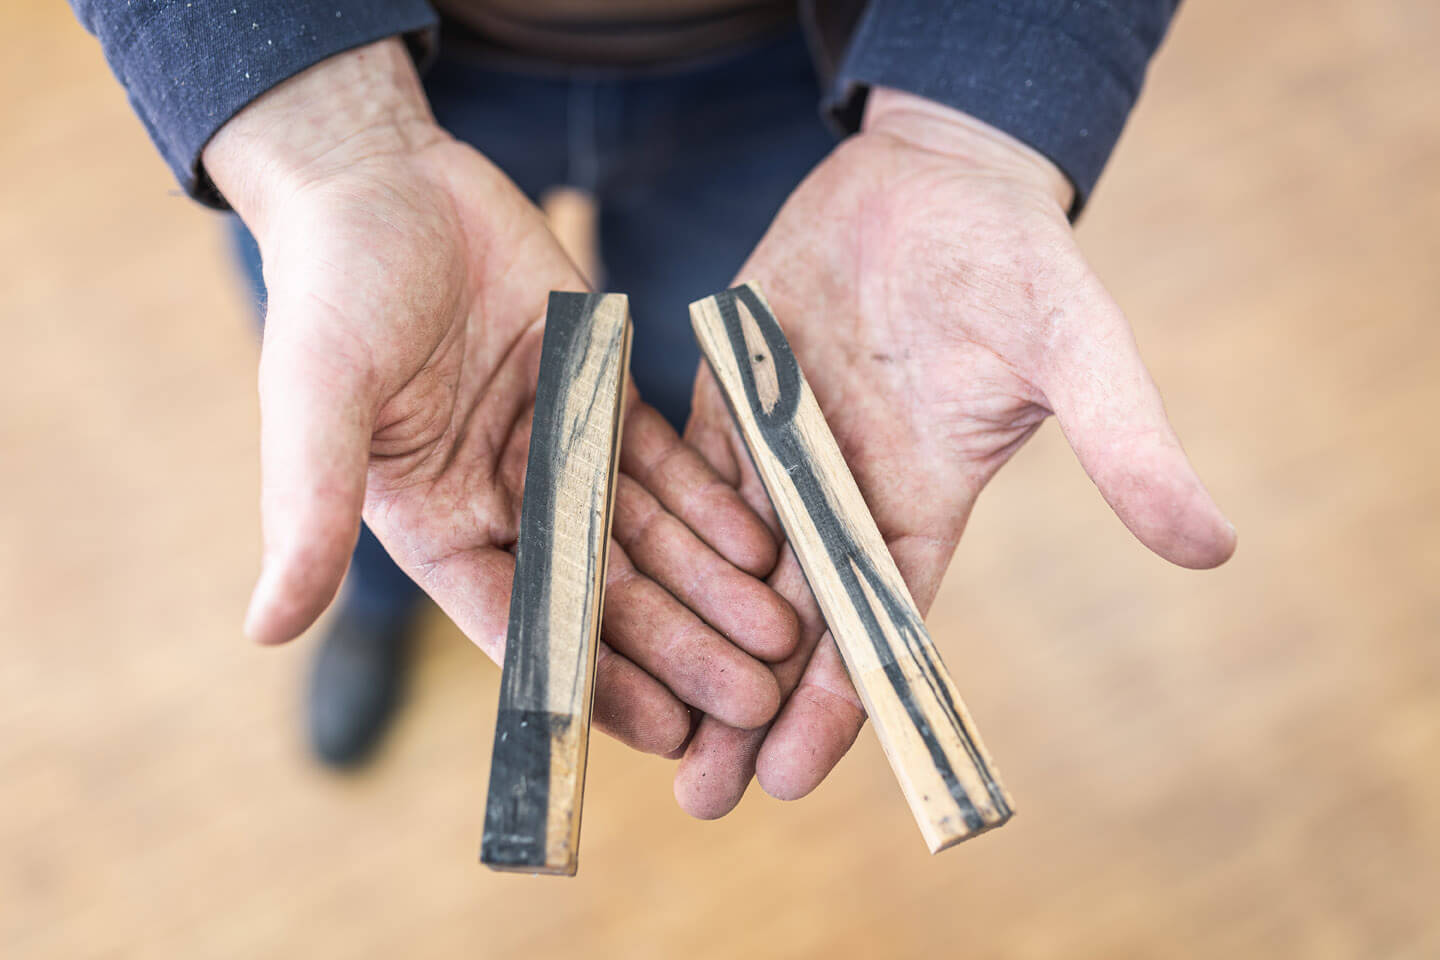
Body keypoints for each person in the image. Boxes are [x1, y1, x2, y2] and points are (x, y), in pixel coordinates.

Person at [69, 0, 1235, 820]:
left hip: (807, 72)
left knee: (689, 416)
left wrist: (980, 110)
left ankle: (659, 568)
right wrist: (310, 124)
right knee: (393, 442)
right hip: (355, 61)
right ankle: (377, 608)